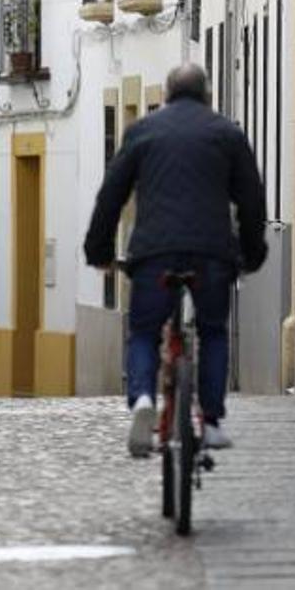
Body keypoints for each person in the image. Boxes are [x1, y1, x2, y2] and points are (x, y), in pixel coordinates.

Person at [84, 63, 267, 455]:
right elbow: (251, 200)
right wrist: (253, 253)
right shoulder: (227, 134)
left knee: (145, 331)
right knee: (213, 330)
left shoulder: (142, 132)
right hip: (212, 254)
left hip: (154, 253)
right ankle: (213, 421)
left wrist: (97, 250)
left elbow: (111, 195)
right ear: (207, 95)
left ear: (166, 95)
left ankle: (144, 400)